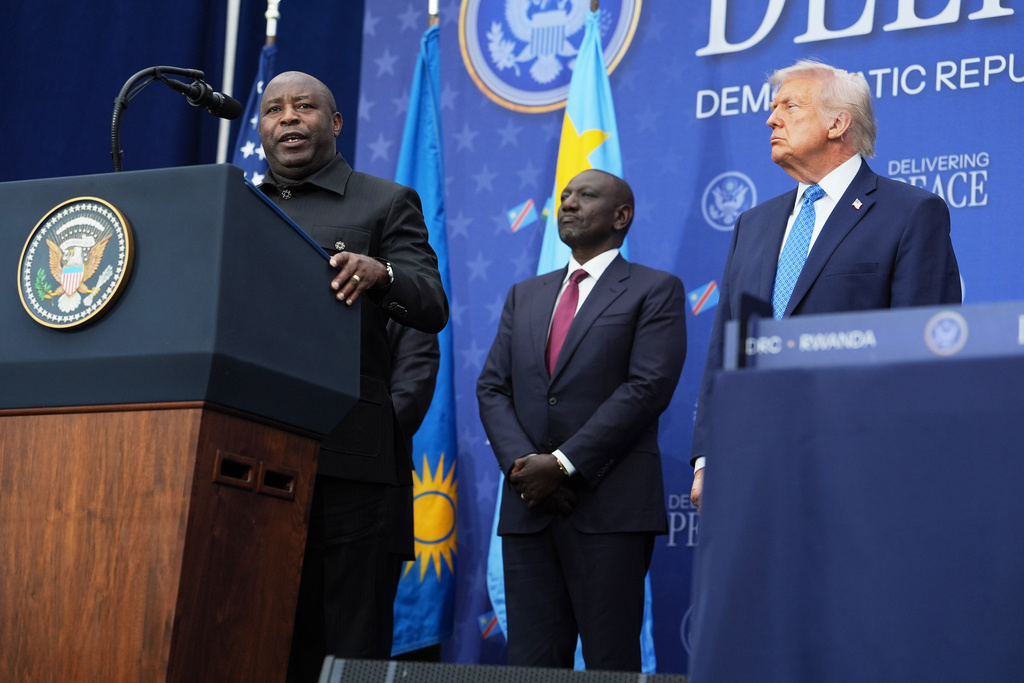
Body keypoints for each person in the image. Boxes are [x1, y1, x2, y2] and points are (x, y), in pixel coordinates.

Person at [689, 59, 961, 511]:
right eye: (773, 107)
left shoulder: (910, 213)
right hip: (749, 465)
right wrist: (706, 458)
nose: (771, 119)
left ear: (838, 123)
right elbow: (725, 350)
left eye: (790, 106)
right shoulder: (752, 225)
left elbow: (922, 353)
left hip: (857, 467)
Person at [256, 71, 449, 680]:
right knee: (257, 639)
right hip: (250, 456)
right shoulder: (238, 209)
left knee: (348, 651)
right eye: (273, 109)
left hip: (352, 469)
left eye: (304, 106)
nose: (288, 117)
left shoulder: (385, 201)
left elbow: (432, 304)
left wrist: (382, 274)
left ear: (335, 123)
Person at [476, 169, 687, 671]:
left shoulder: (655, 290)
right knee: (531, 665)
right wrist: (525, 468)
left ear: (621, 216)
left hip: (609, 509)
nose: (568, 204)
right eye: (565, 196)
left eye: (585, 196)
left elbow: (647, 388)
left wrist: (562, 465)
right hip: (530, 508)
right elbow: (492, 388)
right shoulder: (525, 294)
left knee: (609, 663)